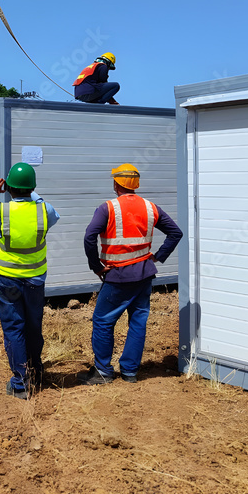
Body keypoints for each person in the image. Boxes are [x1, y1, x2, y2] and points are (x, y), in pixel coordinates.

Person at [79, 163, 181, 385]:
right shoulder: (150, 207)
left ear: (116, 184)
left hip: (117, 276)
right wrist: (157, 256)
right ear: (135, 184)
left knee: (103, 320)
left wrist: (96, 266)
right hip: (144, 274)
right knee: (137, 321)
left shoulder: (107, 208)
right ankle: (130, 372)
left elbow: (89, 237)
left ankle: (104, 372)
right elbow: (175, 233)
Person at [0, 163, 61, 400]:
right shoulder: (45, 211)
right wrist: (32, 192)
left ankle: (21, 383)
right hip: (35, 281)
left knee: (14, 327)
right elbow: (48, 210)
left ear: (8, 187)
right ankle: (36, 370)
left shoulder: (0, 212)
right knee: (33, 326)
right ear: (33, 188)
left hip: (8, 281)